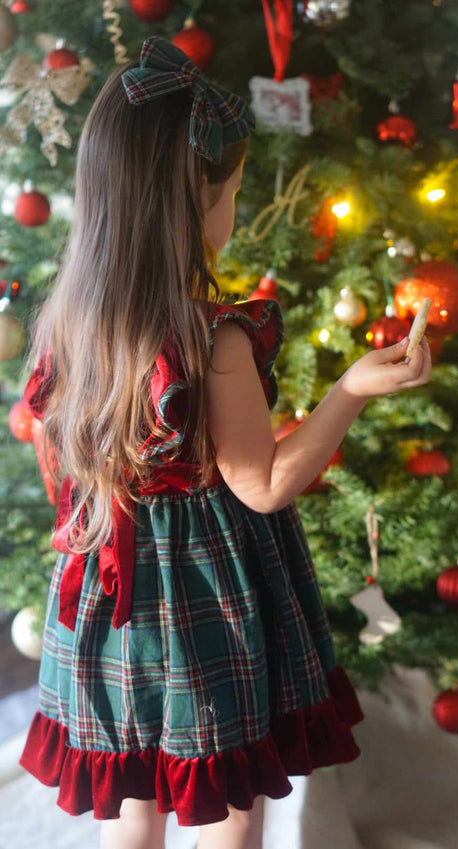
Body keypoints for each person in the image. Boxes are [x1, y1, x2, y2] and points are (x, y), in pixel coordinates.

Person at [17, 35, 432, 849]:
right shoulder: (213, 339)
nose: (233, 207)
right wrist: (348, 389)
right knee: (226, 806)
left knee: (133, 804)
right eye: (232, 190)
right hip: (206, 608)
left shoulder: (67, 323)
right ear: (194, 205)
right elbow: (263, 484)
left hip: (107, 609)